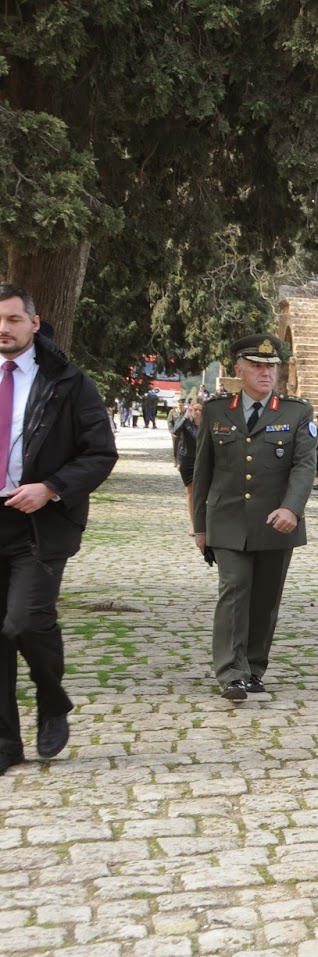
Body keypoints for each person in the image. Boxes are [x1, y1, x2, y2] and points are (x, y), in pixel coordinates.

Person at [0, 284, 118, 773]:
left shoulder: (67, 382)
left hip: (40, 521)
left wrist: (50, 487)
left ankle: (52, 701)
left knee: (25, 621)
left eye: (11, 319)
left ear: (33, 321)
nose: (3, 330)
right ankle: (7, 744)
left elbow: (99, 453)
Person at [191, 334, 315, 701]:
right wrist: (200, 526)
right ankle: (231, 672)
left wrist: (292, 507)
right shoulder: (216, 410)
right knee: (234, 589)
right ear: (238, 369)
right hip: (226, 519)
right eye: (257, 366)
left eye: (271, 366)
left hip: (277, 521)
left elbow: (304, 466)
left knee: (265, 598)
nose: (266, 372)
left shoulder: (296, 412)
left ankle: (254, 667)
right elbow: (202, 471)